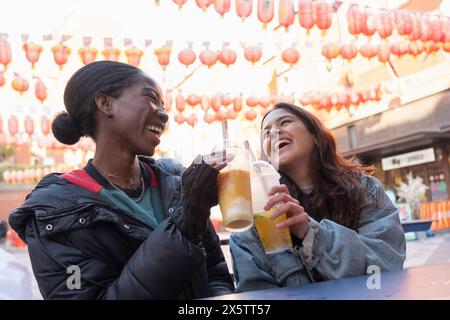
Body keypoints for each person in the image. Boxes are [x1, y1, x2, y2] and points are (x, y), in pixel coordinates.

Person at [8, 61, 234, 299]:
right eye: (151, 98)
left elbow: (216, 274)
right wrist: (185, 223)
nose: (164, 113)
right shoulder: (53, 213)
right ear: (106, 103)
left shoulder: (177, 182)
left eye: (163, 104)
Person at [230, 102, 406, 292]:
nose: (274, 133)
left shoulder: (365, 189)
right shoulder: (258, 215)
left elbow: (386, 263)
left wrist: (312, 235)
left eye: (285, 122)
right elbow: (256, 295)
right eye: (266, 132)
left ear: (315, 135)